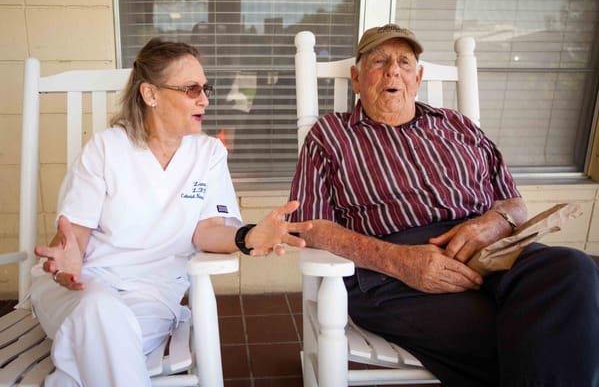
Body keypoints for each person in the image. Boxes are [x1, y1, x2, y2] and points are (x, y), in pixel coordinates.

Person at [289, 24, 599, 387]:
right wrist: (398, 261)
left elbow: (514, 203)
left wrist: (493, 222)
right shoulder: (330, 135)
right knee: (545, 335)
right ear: (356, 79)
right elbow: (309, 225)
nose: (393, 70)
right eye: (379, 60)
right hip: (396, 273)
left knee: (571, 269)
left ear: (417, 78)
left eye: (404, 62)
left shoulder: (458, 125)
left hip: (491, 246)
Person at [30, 37, 312, 387]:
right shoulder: (106, 149)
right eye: (191, 89)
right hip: (83, 285)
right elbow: (74, 236)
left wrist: (249, 236)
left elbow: (206, 231)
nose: (205, 99)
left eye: (206, 88)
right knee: (99, 312)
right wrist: (65, 262)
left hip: (151, 295)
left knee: (99, 342)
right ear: (150, 95)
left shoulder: (208, 153)